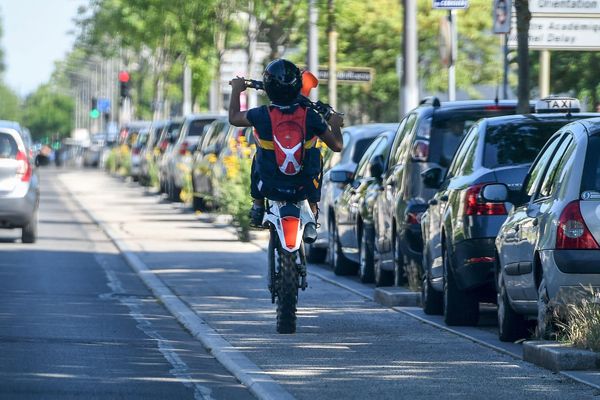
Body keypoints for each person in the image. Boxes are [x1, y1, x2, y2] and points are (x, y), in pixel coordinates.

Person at [228, 59, 344, 232]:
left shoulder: (260, 115)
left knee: (258, 155)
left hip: (269, 185)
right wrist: (334, 124)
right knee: (315, 154)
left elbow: (234, 118)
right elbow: (337, 146)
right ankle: (312, 210)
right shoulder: (311, 116)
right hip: (304, 187)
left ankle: (258, 206)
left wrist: (237, 89)